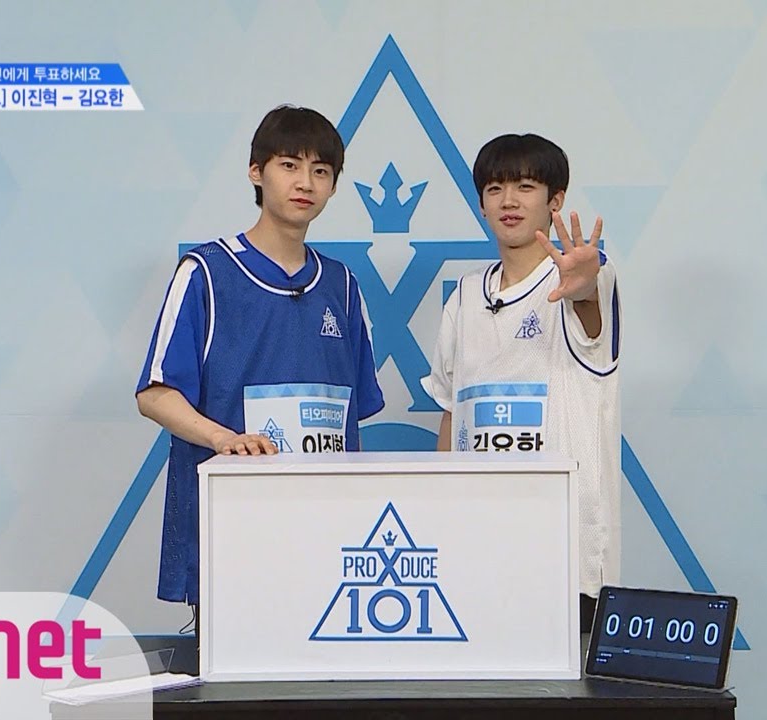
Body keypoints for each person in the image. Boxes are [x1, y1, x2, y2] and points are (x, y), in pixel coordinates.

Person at [136, 105, 385, 616]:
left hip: (327, 538)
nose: (305, 183)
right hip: (234, 528)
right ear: (256, 171)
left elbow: (351, 413)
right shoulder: (206, 272)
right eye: (289, 165)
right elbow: (156, 394)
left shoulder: (342, 285)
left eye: (321, 171)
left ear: (333, 186)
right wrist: (223, 439)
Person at [421, 133, 621, 634]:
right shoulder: (465, 295)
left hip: (564, 552)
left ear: (555, 201)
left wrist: (585, 283)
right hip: (476, 547)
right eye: (494, 189)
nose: (508, 201)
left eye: (525, 187)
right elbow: (452, 412)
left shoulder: (582, 279)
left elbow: (590, 304)